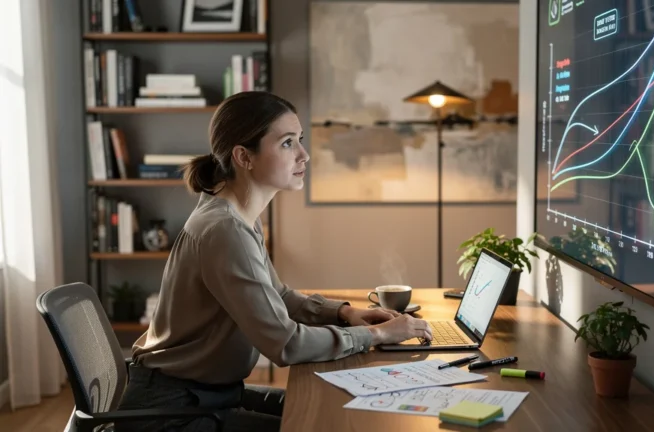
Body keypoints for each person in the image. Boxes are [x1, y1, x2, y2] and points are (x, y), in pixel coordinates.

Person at [115, 91, 433, 432]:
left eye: (300, 141)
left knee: (331, 409)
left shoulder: (238, 217)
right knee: (324, 423)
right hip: (172, 412)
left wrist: (344, 313)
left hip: (206, 395)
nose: (303, 154)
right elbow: (286, 344)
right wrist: (376, 333)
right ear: (243, 156)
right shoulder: (225, 230)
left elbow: (276, 295)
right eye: (287, 143)